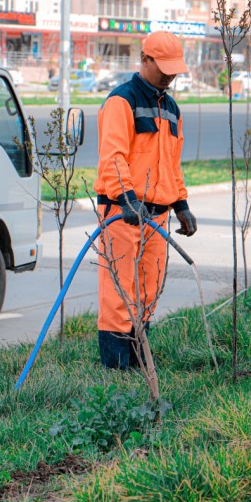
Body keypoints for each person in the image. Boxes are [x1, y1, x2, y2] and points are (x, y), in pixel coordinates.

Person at [93, 31, 198, 370]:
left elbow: (171, 164)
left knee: (148, 290)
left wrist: (181, 205)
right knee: (120, 291)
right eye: (163, 67)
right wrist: (127, 199)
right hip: (122, 213)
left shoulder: (171, 108)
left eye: (174, 68)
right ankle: (115, 367)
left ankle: (139, 364)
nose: (169, 74)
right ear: (145, 60)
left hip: (157, 215)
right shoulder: (121, 102)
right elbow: (113, 158)